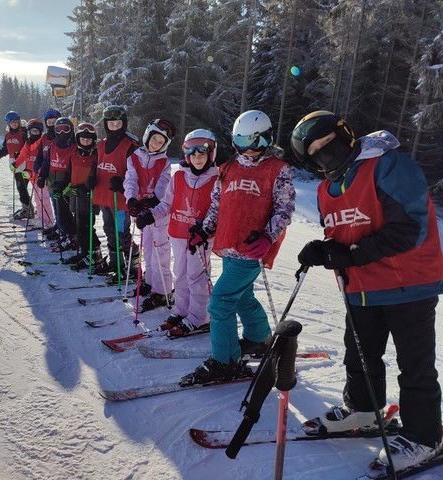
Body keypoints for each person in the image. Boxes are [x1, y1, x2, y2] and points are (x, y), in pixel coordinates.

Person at [291, 111, 443, 471]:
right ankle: (364, 410)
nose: (325, 153)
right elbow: (346, 235)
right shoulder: (326, 189)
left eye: (329, 143)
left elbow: (409, 228)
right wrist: (323, 249)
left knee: (414, 366)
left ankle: (425, 436)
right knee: (359, 357)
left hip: (407, 285)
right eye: (316, 152)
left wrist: (349, 254)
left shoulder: (388, 165)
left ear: (346, 135)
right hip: (360, 289)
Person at [182, 110, 295, 385]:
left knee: (220, 302)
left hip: (252, 248)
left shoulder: (277, 169)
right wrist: (204, 229)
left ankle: (226, 361)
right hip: (228, 244)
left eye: (255, 141)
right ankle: (258, 338)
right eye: (242, 141)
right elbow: (217, 205)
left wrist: (268, 236)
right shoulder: (227, 168)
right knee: (242, 297)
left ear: (267, 139)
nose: (249, 149)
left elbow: (284, 209)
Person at [138, 128, 219, 335]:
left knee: (196, 277)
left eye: (202, 154)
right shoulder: (179, 177)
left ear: (211, 154)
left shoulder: (217, 179)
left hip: (200, 238)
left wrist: (205, 230)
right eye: (193, 154)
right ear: (187, 156)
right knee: (180, 274)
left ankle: (200, 317)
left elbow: (218, 210)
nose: (198, 159)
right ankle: (182, 311)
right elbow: (167, 204)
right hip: (178, 233)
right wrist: (151, 215)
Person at [124, 119, 175, 311]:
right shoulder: (134, 157)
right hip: (142, 210)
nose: (156, 144)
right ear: (147, 136)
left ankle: (163, 291)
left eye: (160, 142)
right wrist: (131, 200)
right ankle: (151, 282)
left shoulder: (164, 162)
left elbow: (164, 184)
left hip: (159, 212)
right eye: (154, 139)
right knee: (147, 249)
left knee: (160, 250)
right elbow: (131, 180)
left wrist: (153, 199)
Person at [85, 105, 140, 279]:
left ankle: (133, 265)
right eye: (111, 124)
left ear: (124, 124)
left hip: (121, 200)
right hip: (105, 196)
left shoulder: (130, 146)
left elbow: (137, 173)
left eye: (118, 124)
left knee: (122, 233)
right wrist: (91, 178)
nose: (114, 127)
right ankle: (116, 264)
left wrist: (123, 184)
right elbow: (96, 165)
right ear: (106, 124)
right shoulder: (101, 145)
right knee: (109, 231)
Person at [64, 122, 106, 269]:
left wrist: (85, 187)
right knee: (78, 225)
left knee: (86, 226)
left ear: (93, 140)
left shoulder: (96, 156)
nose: (86, 141)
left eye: (88, 139)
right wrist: (63, 186)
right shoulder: (74, 155)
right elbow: (69, 174)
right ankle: (85, 251)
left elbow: (96, 177)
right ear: (78, 139)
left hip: (89, 196)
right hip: (75, 195)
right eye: (83, 139)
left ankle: (95, 253)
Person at [36, 117, 77, 252]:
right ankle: (63, 232)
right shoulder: (52, 146)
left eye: (66, 129)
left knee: (66, 213)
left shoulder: (74, 148)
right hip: (52, 184)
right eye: (59, 129)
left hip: (66, 187)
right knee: (58, 211)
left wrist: (67, 184)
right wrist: (41, 176)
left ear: (71, 130)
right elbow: (46, 163)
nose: (62, 132)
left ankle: (71, 236)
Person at [0, 111, 34, 219]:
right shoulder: (7, 135)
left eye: (16, 121)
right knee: (21, 188)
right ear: (8, 124)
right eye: (12, 122)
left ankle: (27, 210)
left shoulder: (23, 134)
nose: (14, 124)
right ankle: (27, 208)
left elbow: (29, 148)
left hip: (24, 164)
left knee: (22, 187)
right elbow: (5, 150)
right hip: (14, 164)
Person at [14, 119, 55, 229]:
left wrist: (36, 173)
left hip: (41, 176)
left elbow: (43, 160)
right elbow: (23, 155)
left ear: (40, 132)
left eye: (37, 131)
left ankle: (48, 220)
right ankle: (41, 217)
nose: (34, 133)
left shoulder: (41, 142)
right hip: (32, 175)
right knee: (37, 199)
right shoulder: (28, 143)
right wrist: (15, 164)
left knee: (44, 198)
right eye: (32, 131)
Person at [34, 108, 62, 238]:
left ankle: (63, 226)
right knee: (53, 200)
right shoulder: (44, 138)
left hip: (61, 174)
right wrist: (36, 166)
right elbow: (40, 155)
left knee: (62, 203)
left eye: (54, 121)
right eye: (49, 122)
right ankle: (58, 224)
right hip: (48, 175)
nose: (51, 124)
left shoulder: (62, 135)